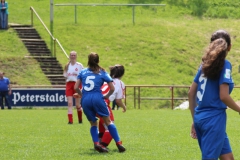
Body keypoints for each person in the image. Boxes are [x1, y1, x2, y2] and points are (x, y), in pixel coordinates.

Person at [188, 30, 240, 160]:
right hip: (214, 120)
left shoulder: (204, 65)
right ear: (229, 46)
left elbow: (191, 93)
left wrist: (195, 119)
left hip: (202, 117)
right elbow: (224, 96)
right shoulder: (225, 64)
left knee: (228, 158)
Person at [74, 52, 126, 153]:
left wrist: (82, 95)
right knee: (109, 122)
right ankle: (119, 143)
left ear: (88, 61)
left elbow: (76, 87)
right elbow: (112, 88)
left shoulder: (83, 72)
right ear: (98, 61)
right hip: (98, 98)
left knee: (93, 124)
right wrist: (106, 96)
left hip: (86, 99)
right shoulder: (102, 72)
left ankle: (97, 143)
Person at [98, 64, 127, 148]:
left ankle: (99, 140)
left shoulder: (105, 79)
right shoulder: (120, 83)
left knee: (102, 120)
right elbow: (118, 101)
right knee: (111, 125)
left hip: (94, 101)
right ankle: (103, 146)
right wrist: (124, 107)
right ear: (122, 74)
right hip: (103, 103)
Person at [63, 51, 84, 124]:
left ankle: (80, 119)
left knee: (78, 104)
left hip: (77, 84)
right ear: (69, 56)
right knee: (70, 103)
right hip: (69, 84)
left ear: (76, 56)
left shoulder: (79, 65)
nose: (73, 56)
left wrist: (81, 86)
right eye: (71, 55)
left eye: (74, 55)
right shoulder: (67, 65)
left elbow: (82, 76)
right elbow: (65, 76)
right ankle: (70, 120)